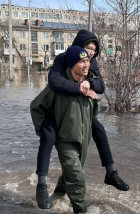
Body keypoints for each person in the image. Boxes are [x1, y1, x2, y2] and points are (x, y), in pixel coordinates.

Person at [33, 29, 129, 209]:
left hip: (76, 113)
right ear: (77, 48)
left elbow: (100, 86)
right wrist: (79, 88)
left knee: (97, 131)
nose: (91, 54)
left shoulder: (91, 63)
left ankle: (109, 172)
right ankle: (41, 185)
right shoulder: (63, 59)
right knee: (49, 137)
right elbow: (55, 82)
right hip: (55, 112)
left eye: (94, 50)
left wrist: (88, 83)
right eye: (87, 48)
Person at [31, 46, 98, 213]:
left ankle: (58, 194)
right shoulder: (59, 87)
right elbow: (36, 106)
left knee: (73, 172)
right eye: (81, 61)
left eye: (87, 61)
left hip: (83, 140)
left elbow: (94, 112)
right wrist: (44, 131)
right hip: (65, 140)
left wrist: (95, 100)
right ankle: (80, 209)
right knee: (77, 178)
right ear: (71, 64)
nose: (86, 64)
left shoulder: (88, 84)